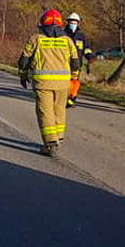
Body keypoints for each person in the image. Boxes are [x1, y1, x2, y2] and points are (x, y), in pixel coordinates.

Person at [18, 9, 79, 157]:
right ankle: (58, 137)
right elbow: (75, 63)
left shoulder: (36, 39)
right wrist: (74, 78)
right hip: (63, 84)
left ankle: (50, 143)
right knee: (59, 111)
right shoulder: (67, 41)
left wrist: (23, 75)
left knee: (45, 112)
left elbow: (24, 60)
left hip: (43, 83)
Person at [64, 12, 94, 107]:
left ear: (78, 23)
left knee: (75, 82)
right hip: (64, 63)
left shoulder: (81, 36)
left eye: (75, 22)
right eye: (71, 22)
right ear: (68, 22)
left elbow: (86, 48)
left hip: (77, 63)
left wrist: (89, 56)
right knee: (64, 82)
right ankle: (64, 98)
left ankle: (72, 98)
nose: (73, 24)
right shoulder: (63, 34)